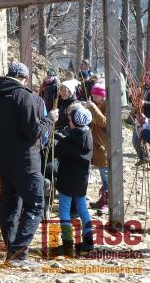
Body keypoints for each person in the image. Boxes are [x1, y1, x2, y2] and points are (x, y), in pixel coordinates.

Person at [0, 61, 59, 266]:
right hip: (25, 162)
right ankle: (17, 253)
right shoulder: (24, 96)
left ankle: (12, 250)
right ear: (24, 78)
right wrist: (50, 119)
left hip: (2, 159)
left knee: (10, 205)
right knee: (36, 205)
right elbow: (34, 132)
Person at [55, 107, 94, 256]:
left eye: (71, 120)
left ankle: (67, 243)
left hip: (67, 180)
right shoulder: (88, 134)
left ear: (75, 122)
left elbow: (59, 150)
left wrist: (60, 138)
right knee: (82, 208)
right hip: (81, 180)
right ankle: (89, 240)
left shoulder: (72, 138)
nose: (69, 122)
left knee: (64, 210)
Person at [85, 83, 108, 213]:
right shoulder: (98, 104)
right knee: (102, 172)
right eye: (93, 95)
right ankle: (103, 198)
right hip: (97, 145)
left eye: (96, 95)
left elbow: (103, 122)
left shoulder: (107, 105)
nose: (94, 97)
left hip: (104, 144)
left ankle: (108, 201)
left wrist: (93, 107)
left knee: (106, 174)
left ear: (102, 95)